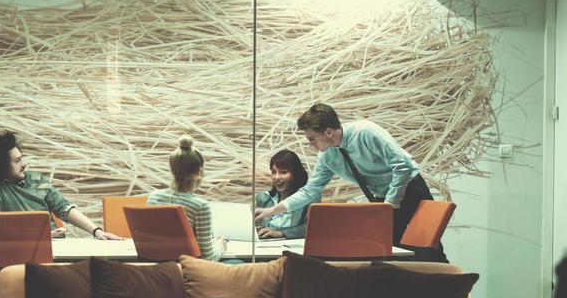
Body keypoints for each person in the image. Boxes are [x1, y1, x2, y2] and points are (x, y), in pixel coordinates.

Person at [254, 102, 448, 261]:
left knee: (428, 251)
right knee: (391, 254)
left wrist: (390, 203)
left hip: (410, 189)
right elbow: (310, 191)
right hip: (384, 200)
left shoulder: (366, 131)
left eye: (312, 138)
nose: (310, 144)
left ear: (328, 132)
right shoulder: (327, 156)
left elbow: (402, 165)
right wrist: (272, 210)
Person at [0, 131, 123, 240]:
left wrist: (96, 231)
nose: (24, 164)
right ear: (1, 166)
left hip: (55, 248)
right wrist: (37, 237)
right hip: (21, 253)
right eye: (17, 161)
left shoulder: (37, 180)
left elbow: (63, 208)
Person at [147, 135, 229, 261]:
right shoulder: (200, 206)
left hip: (158, 271)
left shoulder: (154, 198)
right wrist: (221, 245)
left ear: (172, 169)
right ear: (199, 172)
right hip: (189, 271)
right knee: (237, 263)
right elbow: (208, 258)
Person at [254, 149, 309, 240]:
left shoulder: (308, 198)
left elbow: (309, 228)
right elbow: (254, 224)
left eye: (283, 172)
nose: (277, 177)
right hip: (264, 246)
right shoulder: (263, 198)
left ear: (295, 174)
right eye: (274, 172)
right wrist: (256, 229)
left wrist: (280, 233)